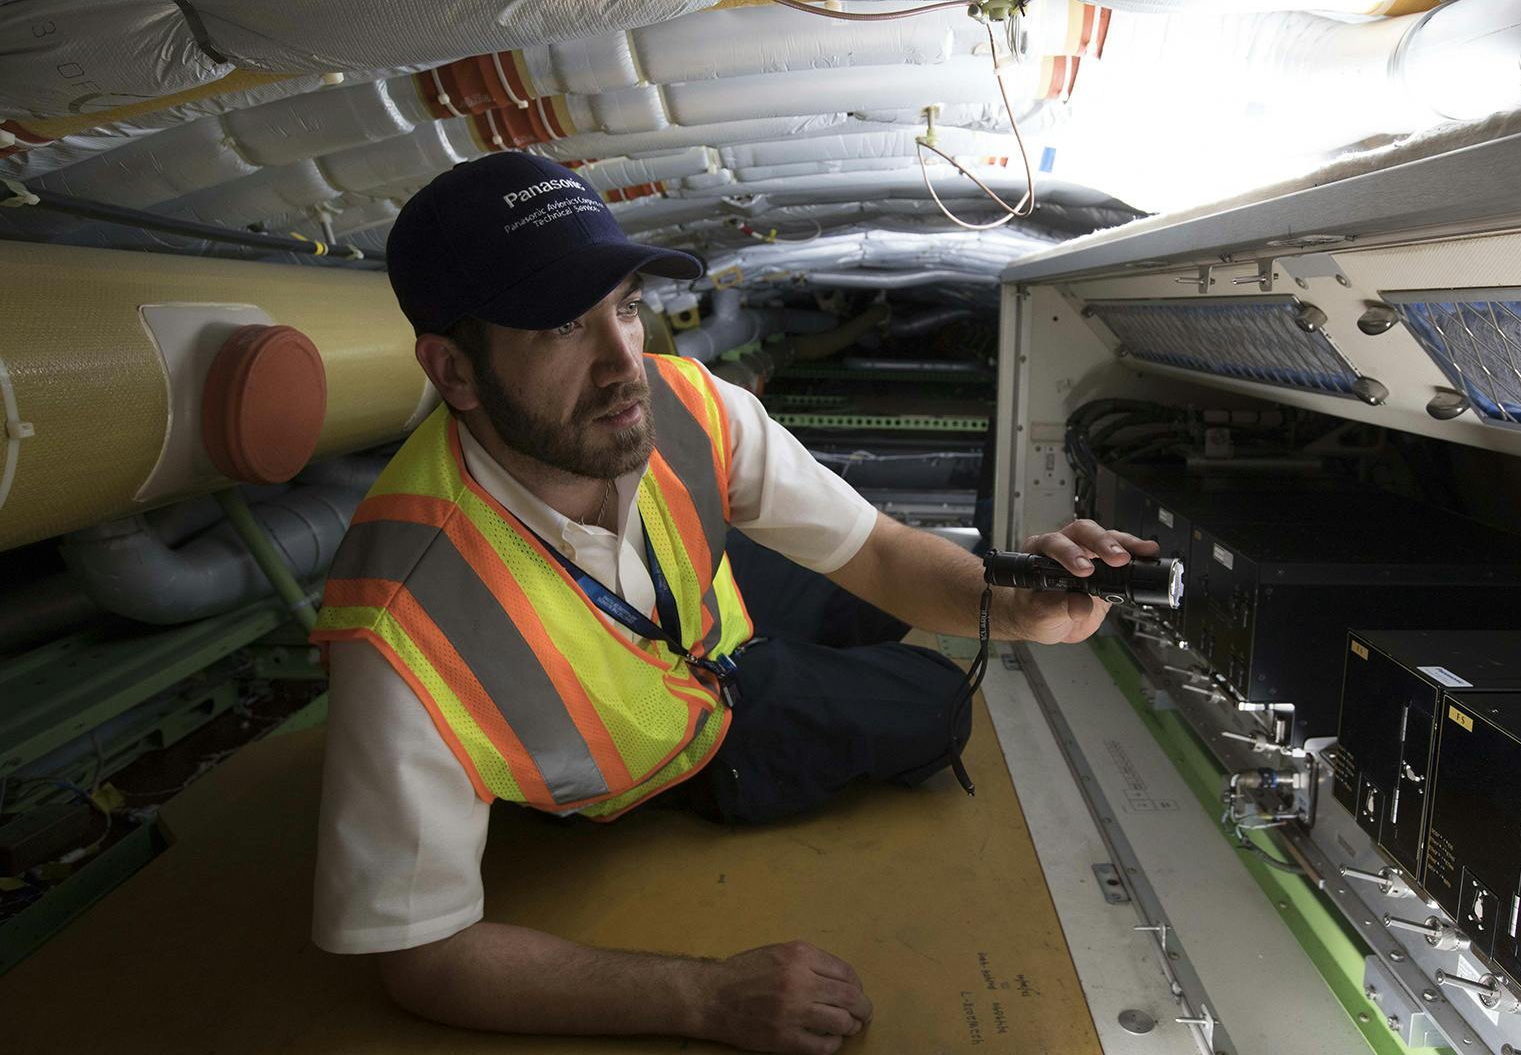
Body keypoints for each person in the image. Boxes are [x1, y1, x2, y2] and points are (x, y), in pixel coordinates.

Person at [308, 151, 1157, 1055]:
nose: (623, 366)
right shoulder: (403, 629)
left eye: (627, 308)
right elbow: (426, 958)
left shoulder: (685, 406)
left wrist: (1015, 598)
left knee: (875, 592)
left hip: (712, 626)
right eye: (561, 326)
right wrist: (704, 998)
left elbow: (873, 552)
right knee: (938, 704)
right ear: (454, 371)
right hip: (675, 744)